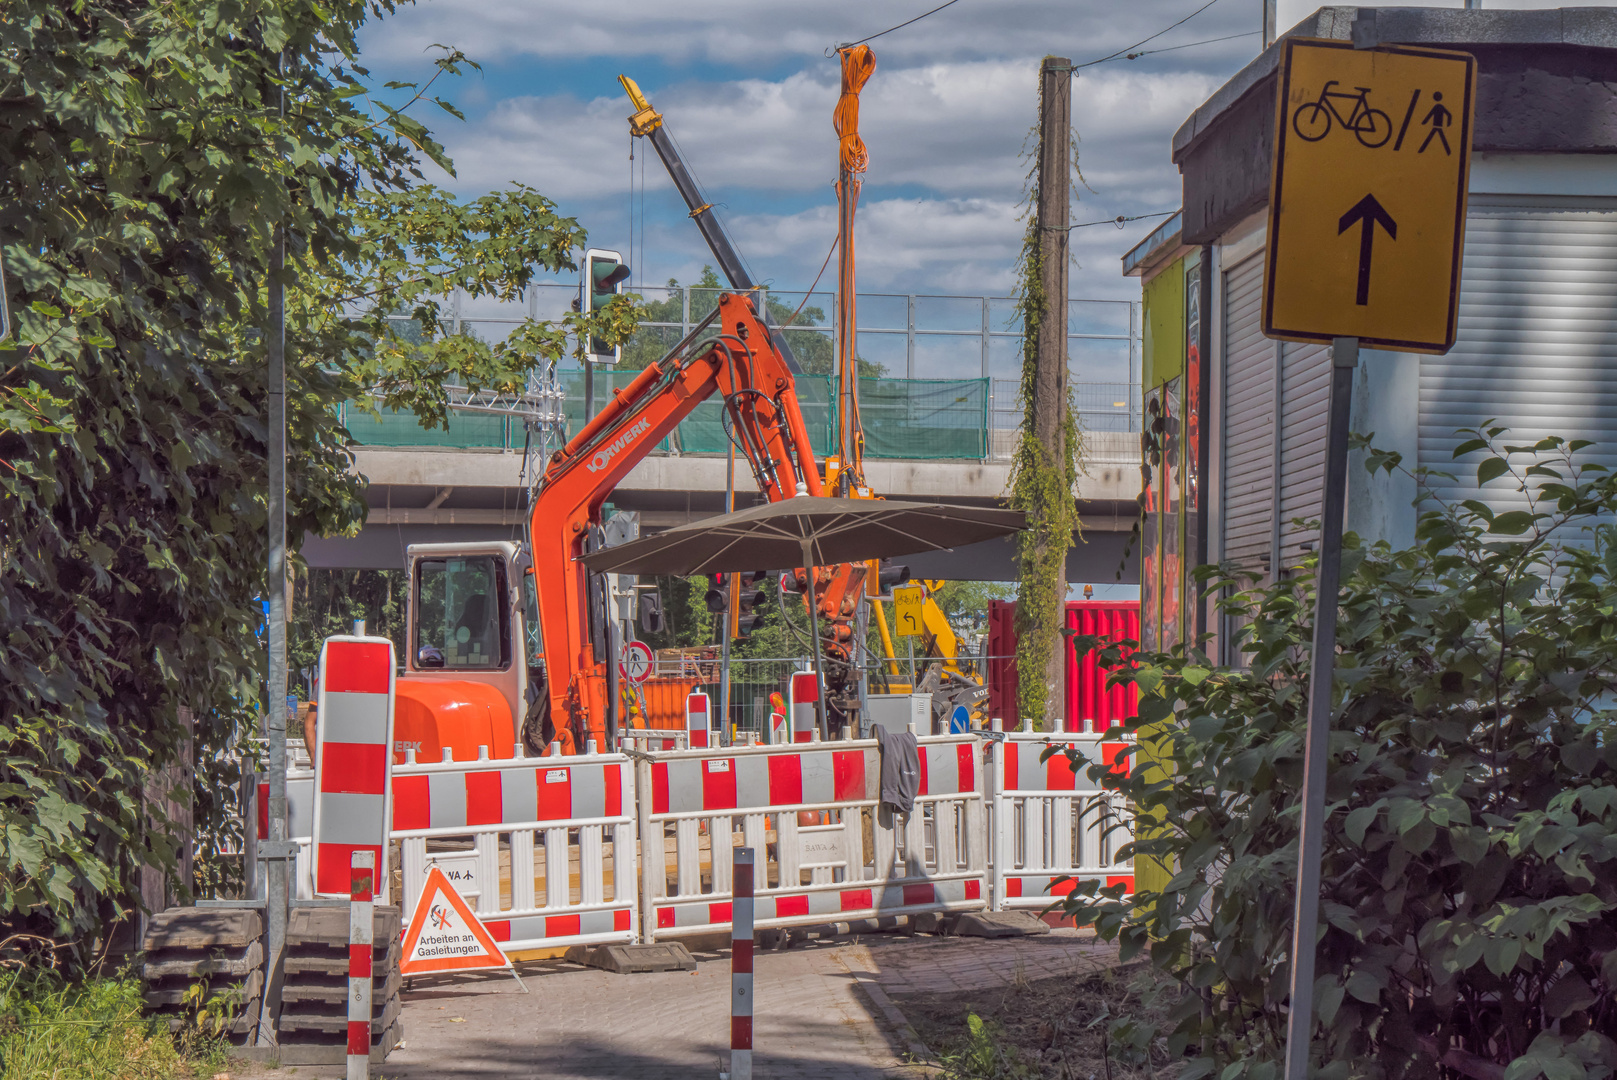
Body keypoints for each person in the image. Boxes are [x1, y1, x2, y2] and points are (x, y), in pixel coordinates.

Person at [1419, 91, 1452, 155]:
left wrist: (1449, 123)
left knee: (1432, 138)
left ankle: (1421, 150)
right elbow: (1449, 115)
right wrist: (1448, 123)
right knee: (1438, 138)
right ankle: (1448, 152)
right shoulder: (1439, 107)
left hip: (1437, 125)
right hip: (1437, 125)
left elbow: (1430, 114)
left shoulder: (1437, 106)